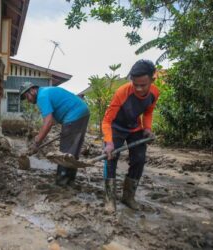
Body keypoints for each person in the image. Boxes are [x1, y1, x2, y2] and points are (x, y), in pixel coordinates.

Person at [102, 59, 159, 214]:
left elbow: (148, 111)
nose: (139, 89)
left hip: (134, 127)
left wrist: (147, 129)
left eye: (143, 85)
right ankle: (109, 200)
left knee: (139, 159)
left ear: (152, 80)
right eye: (136, 84)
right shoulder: (122, 92)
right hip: (116, 128)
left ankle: (128, 197)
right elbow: (107, 120)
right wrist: (109, 142)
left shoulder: (154, 92)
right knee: (110, 158)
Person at [19, 82, 90, 187]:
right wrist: (65, 130)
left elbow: (48, 122)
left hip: (74, 115)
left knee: (65, 152)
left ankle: (62, 182)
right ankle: (69, 181)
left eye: (27, 96)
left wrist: (37, 143)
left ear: (33, 90)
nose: (28, 100)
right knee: (72, 151)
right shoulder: (46, 92)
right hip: (82, 112)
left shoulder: (42, 96)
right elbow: (52, 121)